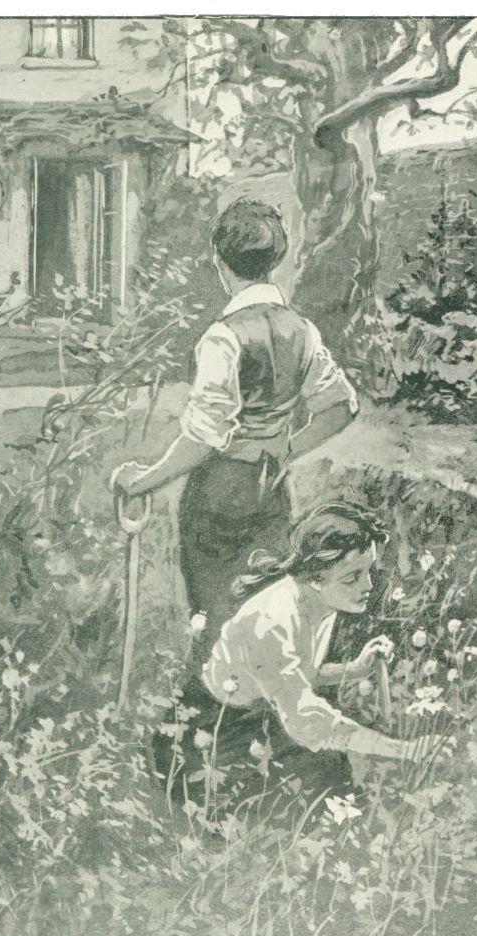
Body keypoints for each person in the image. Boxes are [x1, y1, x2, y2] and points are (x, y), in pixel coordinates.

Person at [111, 198, 359, 676]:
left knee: (216, 614)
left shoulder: (223, 337)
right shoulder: (302, 330)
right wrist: (286, 450)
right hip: (271, 491)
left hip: (220, 493)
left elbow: (205, 436)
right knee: (264, 610)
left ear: (220, 263)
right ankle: (257, 722)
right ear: (275, 261)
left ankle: (212, 719)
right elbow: (341, 406)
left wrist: (143, 480)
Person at [153, 502, 440, 813]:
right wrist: (405, 750)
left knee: (333, 784)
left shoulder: (320, 603)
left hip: (258, 717)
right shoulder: (272, 621)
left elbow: (301, 675)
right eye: (352, 577)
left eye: (368, 571)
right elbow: (309, 720)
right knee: (319, 789)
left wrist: (355, 669)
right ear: (316, 578)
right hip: (209, 734)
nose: (368, 585)